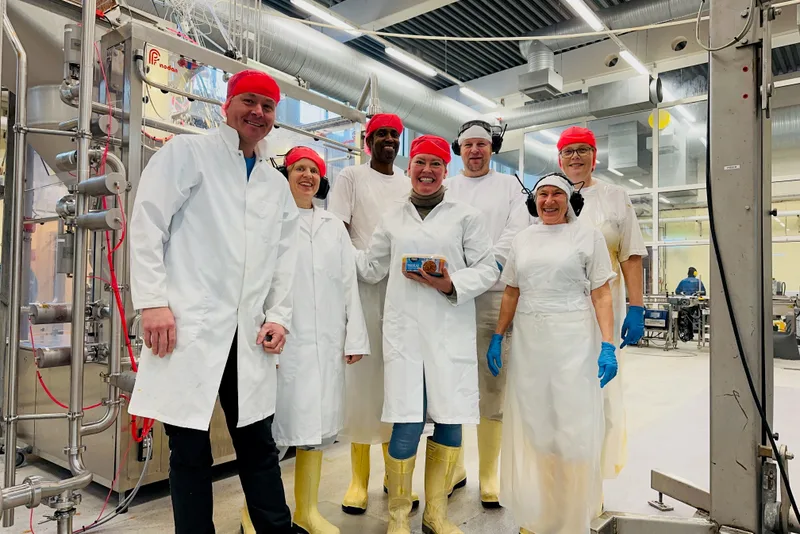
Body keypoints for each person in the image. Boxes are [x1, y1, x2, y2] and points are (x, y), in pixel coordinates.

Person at [128, 69, 298, 534]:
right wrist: (153, 302)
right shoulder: (189, 154)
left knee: (258, 447)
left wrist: (280, 316)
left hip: (249, 336)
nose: (258, 113)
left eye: (267, 106)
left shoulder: (274, 183)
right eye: (249, 101)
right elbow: (147, 223)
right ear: (227, 105)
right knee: (189, 451)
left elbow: (286, 259)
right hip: (189, 330)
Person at [356, 134, 499, 534]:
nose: (427, 171)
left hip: (448, 330)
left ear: (445, 171)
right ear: (410, 168)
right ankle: (399, 515)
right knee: (406, 420)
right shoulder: (393, 216)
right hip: (404, 334)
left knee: (450, 419)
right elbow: (371, 268)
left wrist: (451, 283)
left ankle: (436, 514)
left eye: (436, 164)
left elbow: (489, 268)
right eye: (420, 163)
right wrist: (332, 242)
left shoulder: (465, 216)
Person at [241, 147, 370, 534]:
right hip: (280, 342)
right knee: (271, 434)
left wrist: (354, 337)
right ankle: (255, 514)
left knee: (313, 430)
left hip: (325, 341)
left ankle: (307, 511)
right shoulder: (269, 219)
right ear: (286, 173)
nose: (307, 176)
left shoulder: (333, 226)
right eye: (300, 168)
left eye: (314, 170)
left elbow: (349, 284)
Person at [487, 172, 617, 534]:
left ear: (569, 200)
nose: (548, 201)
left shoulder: (587, 236)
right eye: (542, 194)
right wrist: (499, 334)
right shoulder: (524, 239)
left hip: (573, 340)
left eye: (556, 194)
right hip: (531, 342)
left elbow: (601, 294)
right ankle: (541, 512)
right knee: (537, 426)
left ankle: (570, 516)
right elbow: (512, 290)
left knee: (571, 429)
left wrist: (608, 345)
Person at [327, 114, 419, 514]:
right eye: (381, 134)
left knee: (396, 382)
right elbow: (337, 231)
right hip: (361, 289)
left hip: (402, 290)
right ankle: (358, 480)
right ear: (368, 140)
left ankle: (392, 476)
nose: (388, 140)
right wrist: (364, 266)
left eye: (393, 135)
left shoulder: (406, 183)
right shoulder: (350, 177)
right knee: (364, 384)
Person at [444, 120, 529, 507]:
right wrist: (457, 278)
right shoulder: (446, 185)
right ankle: (454, 467)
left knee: (493, 384)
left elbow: (516, 232)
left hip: (493, 295)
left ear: (491, 148)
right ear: (458, 149)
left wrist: (485, 269)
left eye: (481, 144)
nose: (474, 151)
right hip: (449, 297)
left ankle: (489, 474)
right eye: (467, 145)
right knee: (451, 381)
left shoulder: (509, 186)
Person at [557, 126, 647, 480]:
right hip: (558, 311)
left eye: (583, 150)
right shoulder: (547, 195)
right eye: (568, 151)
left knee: (602, 391)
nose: (575, 157)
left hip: (605, 310)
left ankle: (595, 473)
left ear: (594, 156)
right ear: (559, 158)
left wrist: (637, 307)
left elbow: (631, 254)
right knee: (561, 390)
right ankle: (563, 469)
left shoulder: (614, 196)